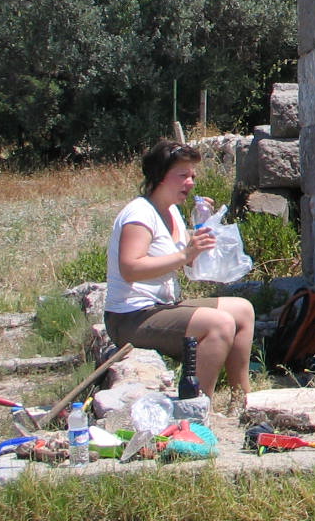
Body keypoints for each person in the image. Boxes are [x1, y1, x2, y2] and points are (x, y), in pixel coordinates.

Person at [104, 139, 255, 403]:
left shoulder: (171, 211)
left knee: (242, 309)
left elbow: (185, 258)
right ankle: (196, 406)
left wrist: (203, 228)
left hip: (162, 307)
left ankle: (241, 398)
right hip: (131, 316)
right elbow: (130, 268)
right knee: (219, 323)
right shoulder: (139, 215)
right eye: (183, 175)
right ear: (160, 175)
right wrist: (185, 254)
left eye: (193, 175)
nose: (191, 182)